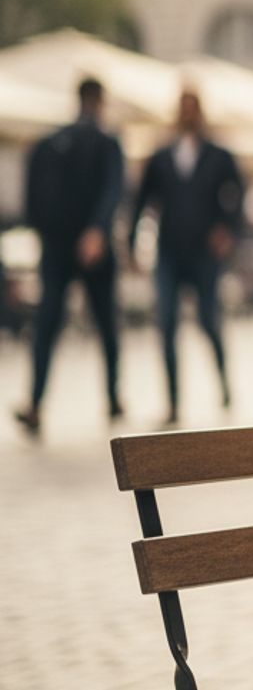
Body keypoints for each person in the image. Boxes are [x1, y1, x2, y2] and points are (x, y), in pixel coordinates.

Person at [15, 77, 125, 437]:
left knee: (50, 324)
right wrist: (97, 229)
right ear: (100, 100)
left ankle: (36, 401)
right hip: (84, 247)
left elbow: (32, 197)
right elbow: (114, 190)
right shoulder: (106, 143)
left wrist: (43, 233)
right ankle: (110, 397)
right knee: (103, 324)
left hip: (60, 246)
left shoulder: (49, 143)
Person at [128, 89, 244, 426]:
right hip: (169, 252)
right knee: (166, 324)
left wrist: (227, 230)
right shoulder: (162, 156)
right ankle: (173, 402)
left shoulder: (219, 155)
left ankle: (223, 383)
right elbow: (142, 202)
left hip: (205, 253)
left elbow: (237, 197)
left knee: (209, 321)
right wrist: (133, 243)